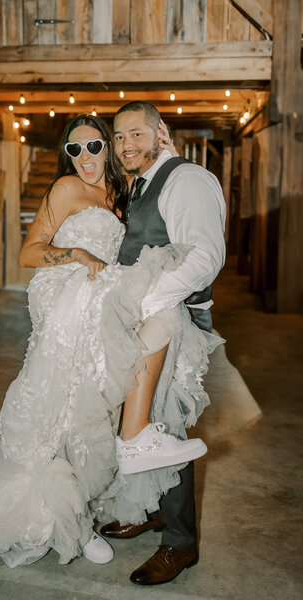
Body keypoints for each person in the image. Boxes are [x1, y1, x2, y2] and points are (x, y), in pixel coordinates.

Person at [0, 114, 220, 570]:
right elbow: (28, 252)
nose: (86, 158)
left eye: (96, 146)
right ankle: (68, 528)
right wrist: (74, 254)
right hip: (69, 304)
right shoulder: (63, 189)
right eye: (74, 150)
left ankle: (96, 514)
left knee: (92, 409)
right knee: (58, 406)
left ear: (110, 150)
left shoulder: (125, 194)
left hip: (103, 310)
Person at [100, 101, 226, 585]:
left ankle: (179, 543)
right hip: (145, 318)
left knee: (166, 424)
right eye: (119, 136)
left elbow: (204, 258)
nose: (127, 144)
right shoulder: (141, 183)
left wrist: (146, 303)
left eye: (136, 133)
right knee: (139, 420)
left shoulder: (187, 180)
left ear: (160, 133)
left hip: (174, 321)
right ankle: (148, 510)